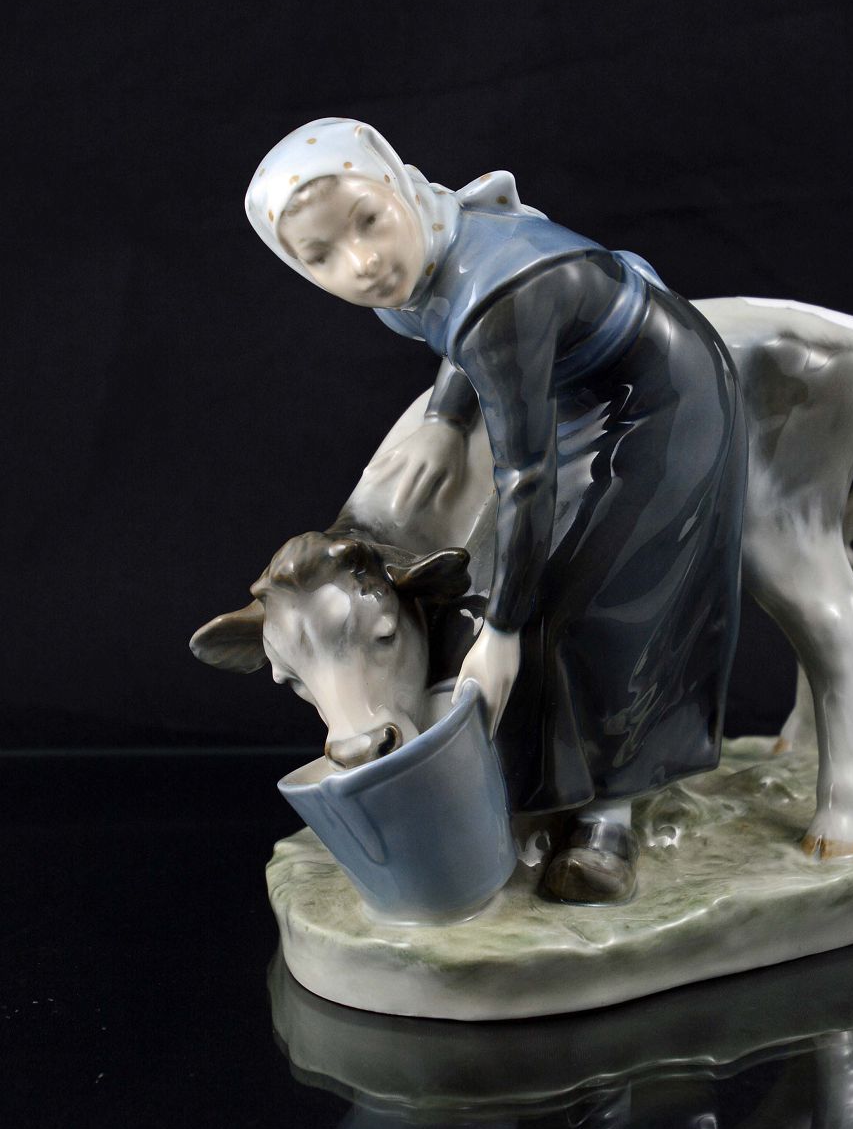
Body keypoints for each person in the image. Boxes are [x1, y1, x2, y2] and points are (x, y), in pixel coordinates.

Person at [246, 118, 747, 903]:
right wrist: (444, 420)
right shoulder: (419, 260)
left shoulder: (499, 296)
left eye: (368, 220)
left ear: (401, 187)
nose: (362, 262)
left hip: (661, 400)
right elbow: (455, 329)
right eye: (321, 256)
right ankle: (532, 796)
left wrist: (507, 631)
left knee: (584, 603)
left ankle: (609, 817)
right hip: (571, 390)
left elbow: (524, 474)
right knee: (509, 588)